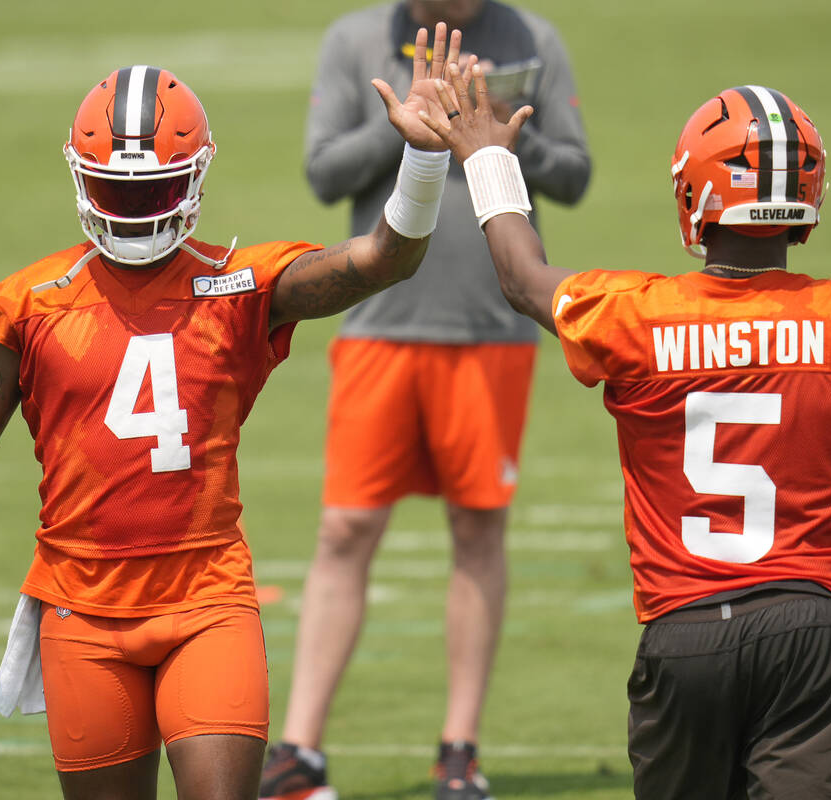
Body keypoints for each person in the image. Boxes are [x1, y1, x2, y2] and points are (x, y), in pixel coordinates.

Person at [0, 25, 470, 800]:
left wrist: (422, 157)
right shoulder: (31, 305)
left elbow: (387, 257)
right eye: (122, 191)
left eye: (156, 191)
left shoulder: (241, 284)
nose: (141, 210)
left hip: (206, 597)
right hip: (83, 608)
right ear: (84, 182)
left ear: (195, 178)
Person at [421, 68, 831, 798]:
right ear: (807, 197)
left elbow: (523, 277)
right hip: (813, 629)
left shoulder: (641, 316)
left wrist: (485, 156)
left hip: (685, 635)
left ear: (694, 197)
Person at [259, 3, 590, 800]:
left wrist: (497, 126)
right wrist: (412, 121)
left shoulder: (533, 39)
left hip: (492, 329)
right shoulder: (352, 39)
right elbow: (324, 171)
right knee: (345, 528)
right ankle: (299, 752)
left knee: (478, 528)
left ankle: (460, 752)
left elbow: (573, 176)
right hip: (378, 323)